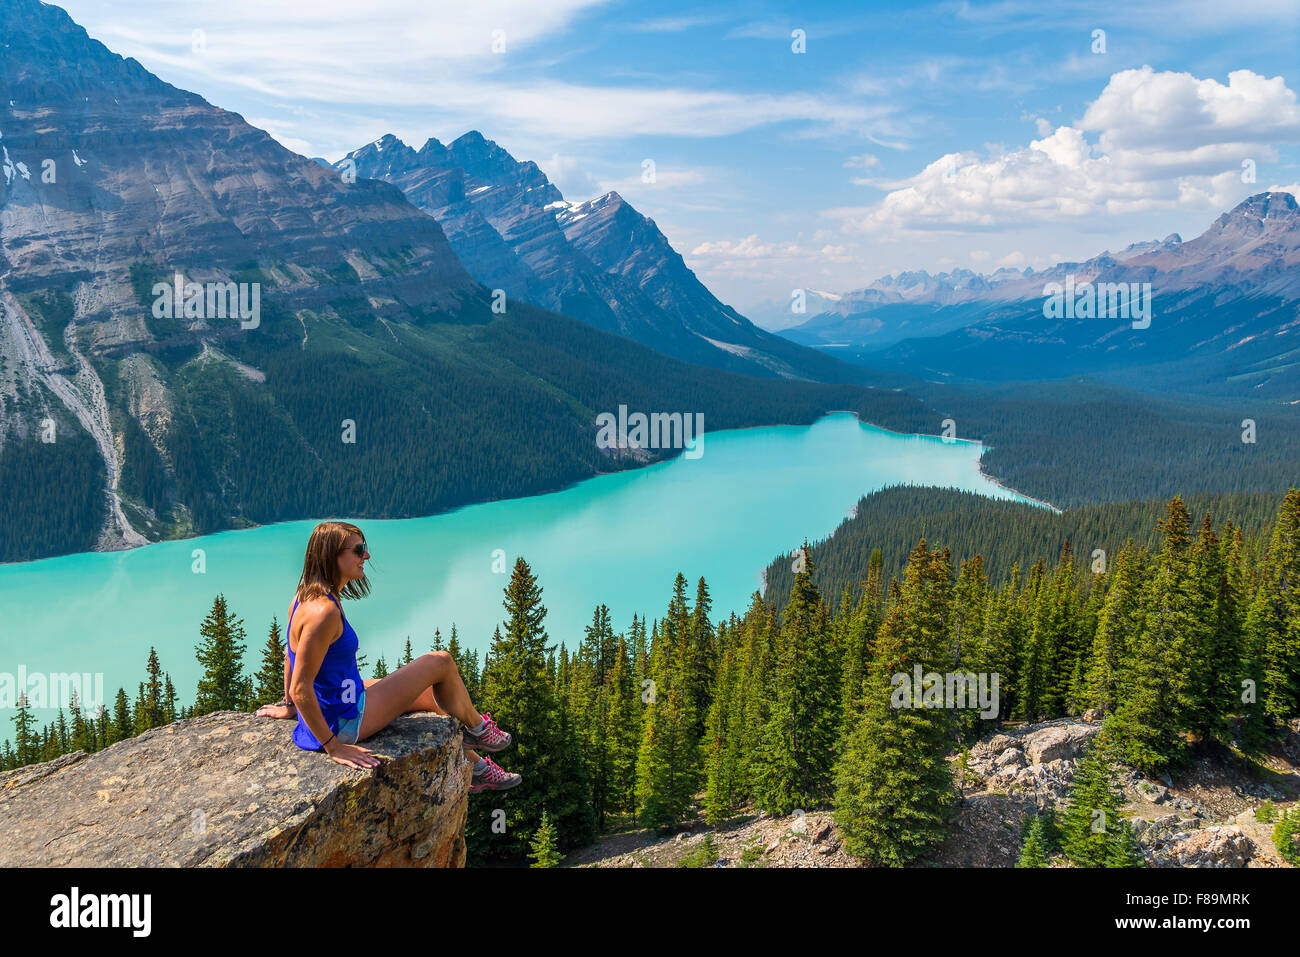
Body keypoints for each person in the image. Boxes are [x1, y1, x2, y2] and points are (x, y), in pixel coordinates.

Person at [255, 520, 520, 793]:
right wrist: (333, 746)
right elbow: (302, 687)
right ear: (332, 555)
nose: (366, 556)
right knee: (440, 661)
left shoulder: (303, 596)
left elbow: (291, 655)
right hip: (344, 720)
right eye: (358, 550)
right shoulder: (324, 612)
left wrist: (291, 707)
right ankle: (478, 729)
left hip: (340, 699)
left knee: (431, 695)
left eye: (364, 548)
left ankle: (478, 769)